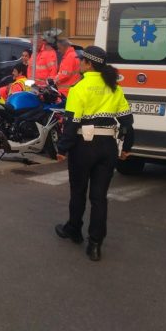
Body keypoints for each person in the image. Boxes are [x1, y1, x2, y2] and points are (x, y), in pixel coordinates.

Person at [54, 46, 134, 261]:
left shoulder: (79, 88)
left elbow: (72, 123)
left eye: (82, 61)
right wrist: (127, 147)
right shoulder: (114, 87)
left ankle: (74, 229)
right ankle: (95, 244)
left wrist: (62, 149)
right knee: (99, 197)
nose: (79, 63)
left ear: (88, 64)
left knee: (78, 191)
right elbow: (127, 121)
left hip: (83, 146)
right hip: (107, 147)